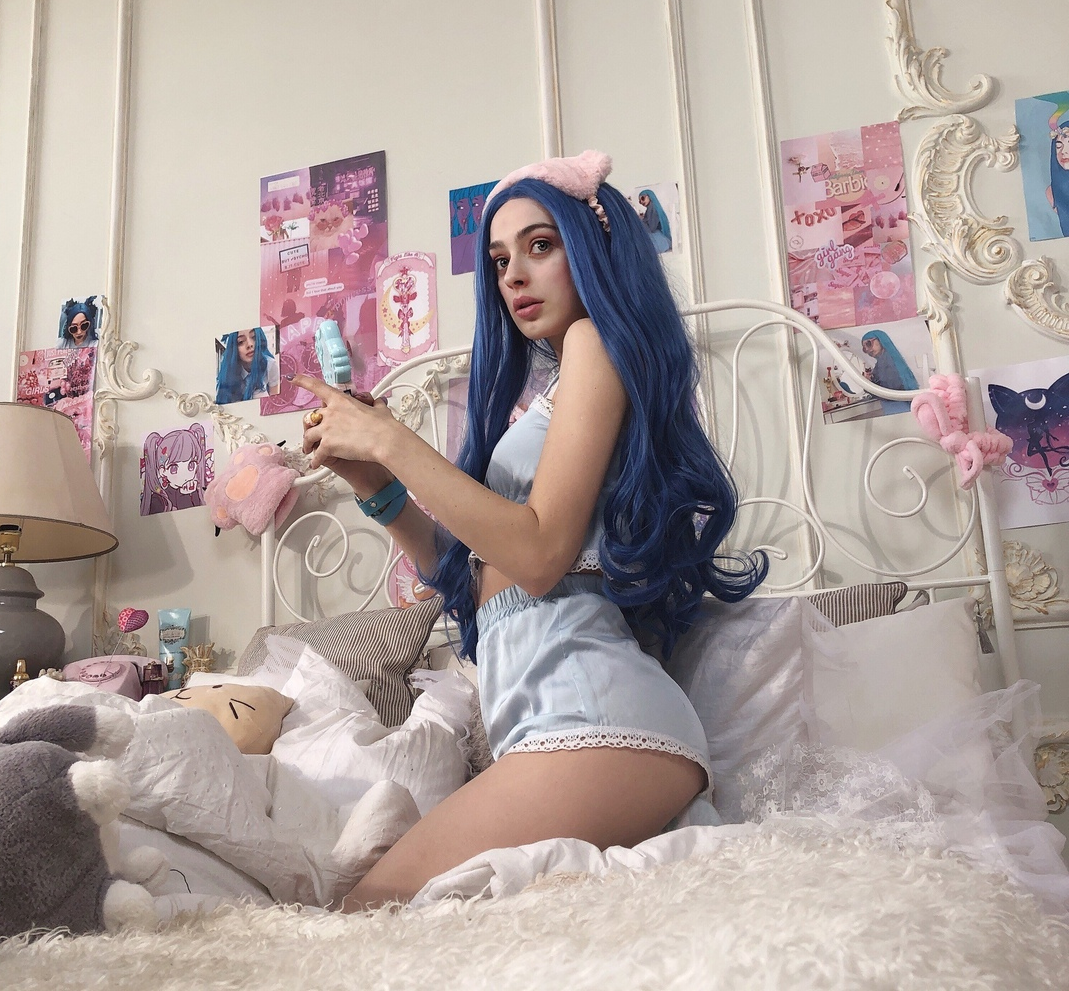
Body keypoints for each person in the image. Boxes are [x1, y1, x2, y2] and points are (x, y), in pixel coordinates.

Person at [292, 150, 767, 911]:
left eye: (540, 246)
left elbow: (541, 556)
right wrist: (375, 483)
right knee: (375, 917)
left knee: (360, 918)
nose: (513, 275)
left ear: (595, 250)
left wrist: (392, 441)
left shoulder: (595, 345)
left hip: (597, 720)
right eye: (500, 259)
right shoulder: (554, 393)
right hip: (563, 727)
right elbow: (474, 576)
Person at [861, 329, 918, 415]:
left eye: (869, 344)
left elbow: (888, 392)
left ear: (880, 340)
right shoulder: (885, 360)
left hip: (899, 410)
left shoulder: (887, 361)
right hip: (899, 408)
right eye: (864, 348)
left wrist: (867, 384)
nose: (868, 350)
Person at [214, 327, 277, 405]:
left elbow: (275, 401)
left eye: (254, 337)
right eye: (240, 342)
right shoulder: (228, 374)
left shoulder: (270, 364)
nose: (250, 345)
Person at [637, 188, 672, 253]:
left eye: (642, 198)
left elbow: (652, 228)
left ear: (649, 196)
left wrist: (640, 221)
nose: (641, 202)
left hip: (660, 239)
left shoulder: (652, 208)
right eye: (640, 201)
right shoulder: (651, 208)